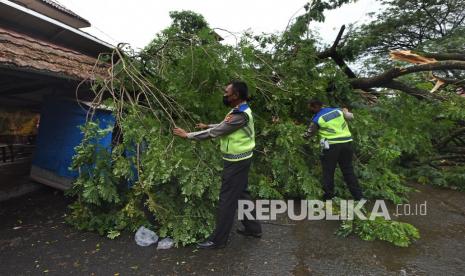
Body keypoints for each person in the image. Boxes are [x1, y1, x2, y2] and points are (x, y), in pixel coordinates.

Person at [173, 80, 262, 249]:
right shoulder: (238, 110)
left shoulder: (241, 115)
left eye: (226, 93)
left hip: (236, 162)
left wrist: (188, 135)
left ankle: (218, 240)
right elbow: (225, 125)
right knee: (242, 194)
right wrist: (208, 125)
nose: (224, 95)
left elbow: (215, 132)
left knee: (227, 200)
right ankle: (253, 228)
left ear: (236, 95)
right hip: (241, 159)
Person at [304, 99, 363, 201]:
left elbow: (309, 134)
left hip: (331, 146)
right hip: (347, 144)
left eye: (310, 108)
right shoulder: (337, 110)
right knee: (348, 171)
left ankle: (328, 198)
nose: (309, 109)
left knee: (328, 172)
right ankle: (359, 197)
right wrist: (345, 111)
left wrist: (301, 135)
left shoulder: (317, 119)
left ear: (315, 107)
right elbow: (350, 116)